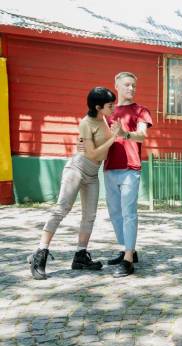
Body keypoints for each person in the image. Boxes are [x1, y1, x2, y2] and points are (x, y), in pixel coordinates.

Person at [28, 87, 119, 280]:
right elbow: (93, 153)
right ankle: (40, 253)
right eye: (111, 105)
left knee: (90, 216)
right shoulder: (86, 123)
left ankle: (80, 256)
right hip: (77, 168)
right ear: (98, 106)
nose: (114, 107)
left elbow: (94, 150)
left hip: (93, 174)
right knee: (62, 208)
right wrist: (113, 138)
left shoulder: (104, 118)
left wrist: (111, 136)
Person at [104, 72, 153, 278]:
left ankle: (128, 260)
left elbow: (142, 135)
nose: (131, 88)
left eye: (134, 85)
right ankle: (127, 249)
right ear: (116, 86)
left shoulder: (140, 110)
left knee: (129, 213)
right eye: (127, 85)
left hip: (130, 169)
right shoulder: (108, 112)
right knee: (115, 214)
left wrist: (125, 134)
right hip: (109, 168)